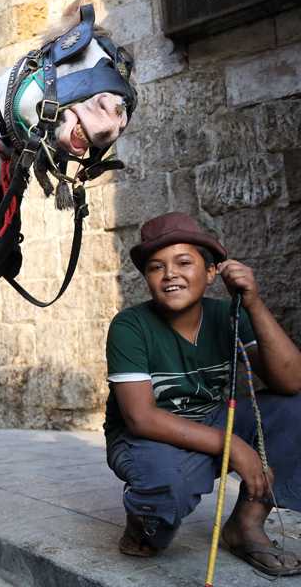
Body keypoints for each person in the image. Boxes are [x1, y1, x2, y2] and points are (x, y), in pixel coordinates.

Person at [104, 211, 301, 576]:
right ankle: (145, 525)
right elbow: (140, 417)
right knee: (166, 488)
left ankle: (245, 526)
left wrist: (253, 304)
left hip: (211, 418)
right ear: (147, 278)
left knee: (295, 411)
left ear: (211, 272)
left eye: (184, 262)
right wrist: (232, 445)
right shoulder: (130, 326)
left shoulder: (228, 315)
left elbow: (291, 382)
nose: (170, 274)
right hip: (148, 436)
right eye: (156, 267)